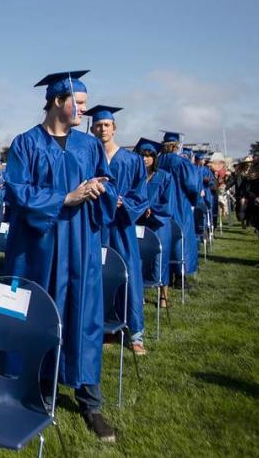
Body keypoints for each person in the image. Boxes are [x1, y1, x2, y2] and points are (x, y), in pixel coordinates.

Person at [4, 70, 118, 442]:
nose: (84, 111)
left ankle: (91, 404)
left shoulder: (88, 146)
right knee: (39, 316)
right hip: (39, 248)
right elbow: (18, 193)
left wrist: (99, 187)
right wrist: (64, 198)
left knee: (83, 317)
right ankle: (38, 391)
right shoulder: (25, 143)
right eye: (79, 104)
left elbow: (107, 183)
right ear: (57, 101)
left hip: (80, 247)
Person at [86, 106, 149, 354]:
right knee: (96, 275)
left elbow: (141, 196)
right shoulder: (88, 156)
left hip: (121, 226)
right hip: (95, 225)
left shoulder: (132, 160)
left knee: (128, 275)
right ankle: (103, 328)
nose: (102, 129)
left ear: (115, 128)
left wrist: (124, 202)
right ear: (92, 129)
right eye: (98, 125)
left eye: (107, 125)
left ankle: (135, 333)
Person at [134, 138, 176, 307]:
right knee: (140, 258)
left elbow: (168, 203)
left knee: (161, 258)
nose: (145, 159)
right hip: (139, 222)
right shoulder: (135, 177)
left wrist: (152, 208)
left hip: (159, 223)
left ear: (154, 158)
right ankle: (140, 293)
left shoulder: (165, 177)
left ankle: (163, 296)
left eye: (149, 156)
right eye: (142, 156)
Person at [157, 132, 201, 278]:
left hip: (160, 205)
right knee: (181, 238)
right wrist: (193, 201)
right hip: (179, 204)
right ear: (176, 146)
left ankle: (165, 272)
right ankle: (180, 275)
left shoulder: (157, 161)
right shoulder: (181, 162)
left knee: (164, 238)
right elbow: (192, 186)